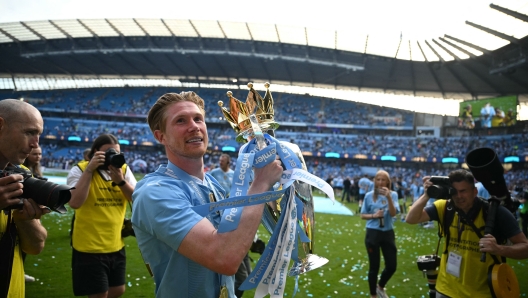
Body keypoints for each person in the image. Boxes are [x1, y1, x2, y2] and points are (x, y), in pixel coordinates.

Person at [131, 91, 283, 298]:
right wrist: (261, 183)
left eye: (198, 119)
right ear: (161, 136)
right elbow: (224, 258)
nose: (194, 126)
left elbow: (233, 236)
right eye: (180, 121)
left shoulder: (212, 184)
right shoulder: (155, 193)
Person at [405, 170, 528, 297]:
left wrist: (499, 249)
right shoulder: (445, 207)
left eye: (463, 191)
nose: (458, 196)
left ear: (474, 191)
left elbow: (525, 248)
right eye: (454, 191)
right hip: (445, 288)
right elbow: (411, 219)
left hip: (480, 293)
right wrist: (426, 195)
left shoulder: (494, 212)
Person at [66, 133, 137, 298]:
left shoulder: (123, 170)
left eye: (116, 152)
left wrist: (120, 180)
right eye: (107, 152)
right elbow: (75, 202)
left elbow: (136, 199)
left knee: (117, 290)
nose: (112, 156)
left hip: (115, 243)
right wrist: (90, 170)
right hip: (89, 246)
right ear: (96, 152)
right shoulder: (80, 169)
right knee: (99, 294)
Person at [0, 99, 50, 297]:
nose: (35, 145)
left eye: (38, 135)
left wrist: (25, 220)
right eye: (29, 132)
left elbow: (35, 246)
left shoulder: (22, 174)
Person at [360, 170, 400, 298]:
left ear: (388, 182)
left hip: (387, 232)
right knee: (374, 266)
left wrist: (388, 197)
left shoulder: (393, 195)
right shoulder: (369, 196)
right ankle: (373, 295)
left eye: (384, 180)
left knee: (392, 265)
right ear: (375, 181)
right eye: (378, 180)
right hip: (373, 233)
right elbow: (362, 215)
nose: (381, 182)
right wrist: (374, 215)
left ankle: (380, 287)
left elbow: (394, 214)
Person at [21, 145, 44, 282]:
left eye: (40, 154)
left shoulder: (37, 170)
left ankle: (20, 271)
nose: (38, 156)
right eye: (35, 154)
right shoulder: (21, 170)